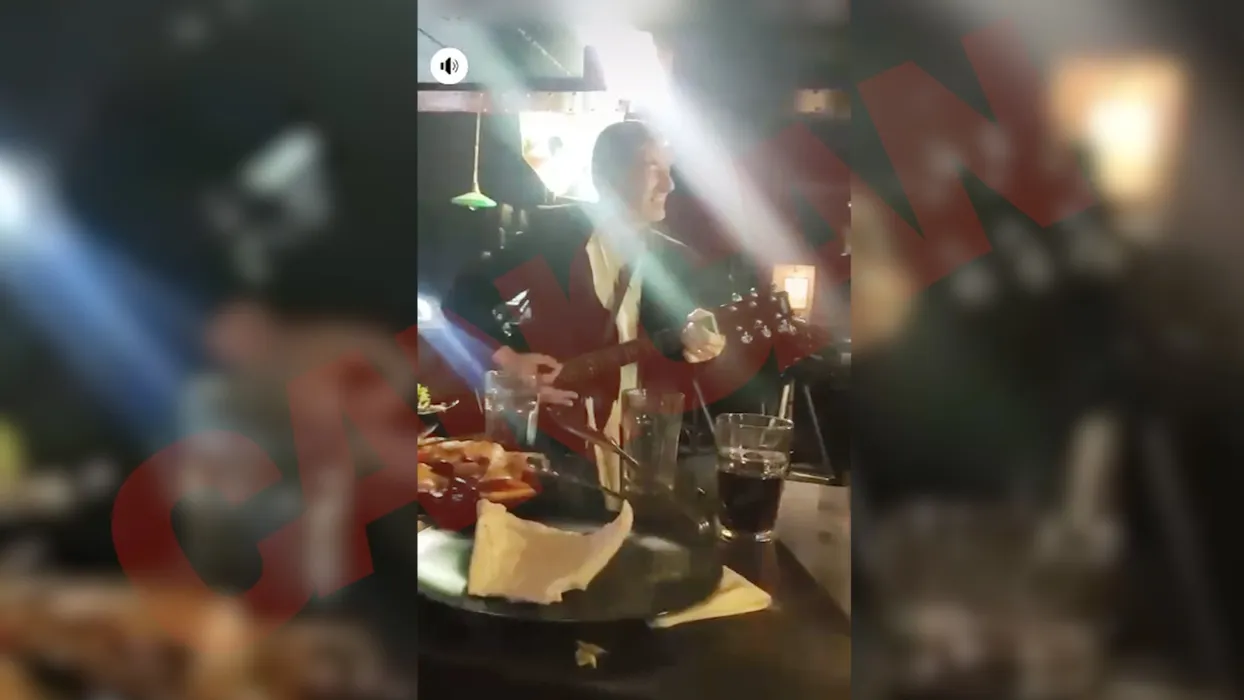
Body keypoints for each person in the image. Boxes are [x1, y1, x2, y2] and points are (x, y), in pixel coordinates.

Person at [443, 120, 725, 490]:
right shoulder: (552, 240)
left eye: (669, 170)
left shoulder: (675, 262)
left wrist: (703, 343)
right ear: (606, 175)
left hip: (637, 450)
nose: (668, 184)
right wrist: (511, 362)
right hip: (557, 445)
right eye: (653, 167)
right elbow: (462, 300)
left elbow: (677, 348)